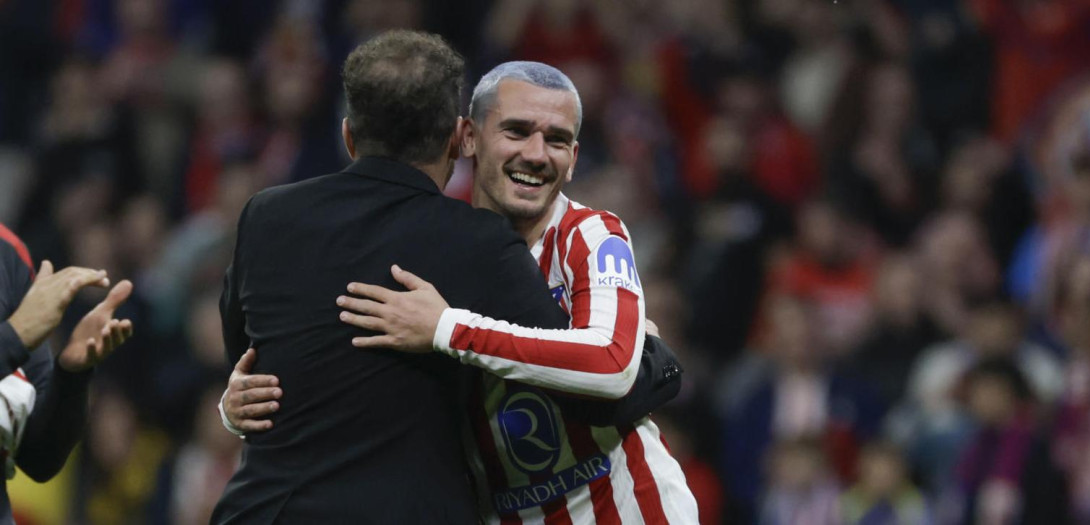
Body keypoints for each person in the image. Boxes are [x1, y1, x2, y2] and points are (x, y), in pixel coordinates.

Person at [231, 62, 698, 523]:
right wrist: (241, 399)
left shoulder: (590, 235)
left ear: (574, 159)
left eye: (556, 140)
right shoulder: (439, 243)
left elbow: (612, 369)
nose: (537, 154)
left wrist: (447, 329)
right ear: (467, 138)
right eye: (516, 132)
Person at [209, 31, 573, 524]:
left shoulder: (266, 216)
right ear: (457, 137)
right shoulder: (476, 241)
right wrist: (651, 355)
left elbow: (244, 359)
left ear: (348, 135)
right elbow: (572, 379)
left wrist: (233, 406)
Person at [0, 221, 134, 523]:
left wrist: (72, 373)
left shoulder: (8, 252)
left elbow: (40, 459)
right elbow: (16, 338)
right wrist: (15, 337)